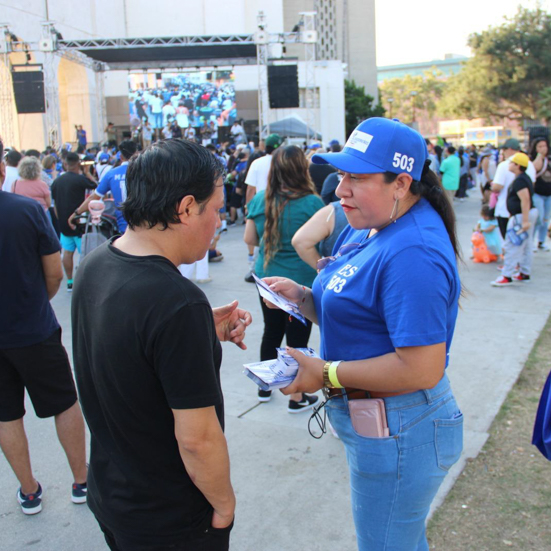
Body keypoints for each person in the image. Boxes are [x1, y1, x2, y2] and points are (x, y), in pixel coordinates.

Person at [261, 118, 463, 551]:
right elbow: (360, 314)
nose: (340, 189)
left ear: (401, 182)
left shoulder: (414, 252)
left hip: (403, 425)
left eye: (357, 177)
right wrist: (301, 297)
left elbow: (422, 367)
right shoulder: (370, 222)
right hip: (378, 422)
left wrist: (325, 373)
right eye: (342, 174)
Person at [72, 139, 251, 551]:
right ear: (186, 208)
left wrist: (199, 331)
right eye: (217, 210)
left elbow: (123, 343)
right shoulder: (176, 302)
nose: (219, 222)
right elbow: (197, 439)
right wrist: (224, 505)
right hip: (168, 519)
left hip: (112, 495)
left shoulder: (97, 263)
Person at [0, 139, 88, 516]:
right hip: (34, 328)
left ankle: (29, 489)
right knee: (64, 403)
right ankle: (82, 481)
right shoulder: (27, 211)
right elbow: (54, 273)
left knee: (6, 415)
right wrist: (37, 300)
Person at [244, 145, 324, 410]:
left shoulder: (259, 200)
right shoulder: (313, 203)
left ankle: (263, 387)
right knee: (297, 340)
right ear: (303, 169)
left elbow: (249, 239)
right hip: (300, 282)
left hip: (266, 278)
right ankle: (296, 397)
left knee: (271, 331)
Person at [50, 152, 97, 291]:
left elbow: (55, 204)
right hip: (79, 221)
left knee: (68, 252)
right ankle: (84, 281)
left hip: (63, 222)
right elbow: (96, 186)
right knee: (85, 253)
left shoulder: (56, 181)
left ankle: (70, 281)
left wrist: (59, 219)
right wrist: (87, 172)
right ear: (78, 164)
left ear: (65, 164)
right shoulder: (80, 179)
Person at [71, 140, 138, 235]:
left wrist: (76, 213)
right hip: (144, 228)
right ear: (137, 154)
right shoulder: (144, 172)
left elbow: (93, 197)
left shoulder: (111, 174)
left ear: (121, 156)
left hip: (123, 228)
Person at [491, 152, 539, 286]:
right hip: (524, 215)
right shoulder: (523, 178)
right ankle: (524, 272)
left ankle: (507, 275)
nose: (509, 164)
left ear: (518, 165)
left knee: (513, 245)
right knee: (526, 245)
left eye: (512, 162)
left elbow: (525, 200)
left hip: (520, 216)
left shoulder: (520, 180)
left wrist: (524, 220)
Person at [491, 139, 536, 239]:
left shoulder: (505, 166)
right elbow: (532, 186)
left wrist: (525, 220)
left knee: (511, 243)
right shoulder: (530, 165)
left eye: (504, 149)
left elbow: (525, 198)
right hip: (522, 213)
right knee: (523, 244)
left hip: (510, 213)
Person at [292, 200, 349, 269]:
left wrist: (324, 270)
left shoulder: (332, 211)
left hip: (289, 269)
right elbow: (300, 241)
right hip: (303, 271)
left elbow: (300, 241)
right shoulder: (312, 202)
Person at [529, 137, 551, 251]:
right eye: (540, 146)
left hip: (549, 193)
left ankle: (541, 241)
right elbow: (535, 168)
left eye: (545, 146)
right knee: (539, 218)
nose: (543, 148)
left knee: (546, 219)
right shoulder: (532, 159)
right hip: (537, 193)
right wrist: (539, 156)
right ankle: (531, 241)